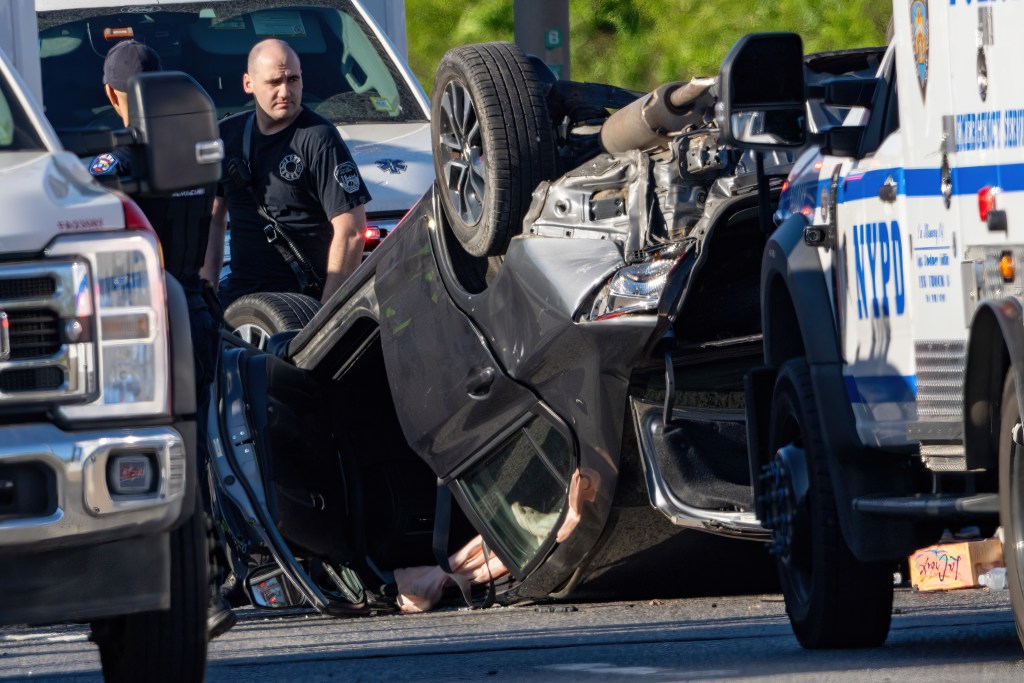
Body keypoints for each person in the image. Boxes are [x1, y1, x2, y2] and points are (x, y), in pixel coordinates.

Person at [89, 39, 236, 640]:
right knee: (194, 450)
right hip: (192, 309)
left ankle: (149, 593)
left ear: (113, 97)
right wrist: (203, 276)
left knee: (126, 455)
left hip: (139, 324)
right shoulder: (200, 154)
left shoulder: (117, 166)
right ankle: (211, 578)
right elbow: (219, 215)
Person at [200, 38, 371, 307]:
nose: (285, 91)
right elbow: (212, 219)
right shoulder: (226, 136)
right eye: (273, 82)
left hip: (302, 306)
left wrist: (326, 320)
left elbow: (351, 231)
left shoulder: (319, 138)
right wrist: (206, 297)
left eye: (292, 79)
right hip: (240, 304)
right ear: (249, 84)